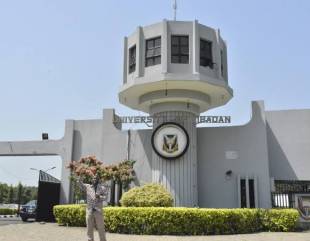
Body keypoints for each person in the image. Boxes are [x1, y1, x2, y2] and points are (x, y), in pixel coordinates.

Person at [77, 174, 109, 241]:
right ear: (91, 179)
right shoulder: (88, 187)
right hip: (89, 211)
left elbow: (106, 198)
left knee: (101, 228)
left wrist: (99, 196)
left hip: (98, 211)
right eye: (93, 178)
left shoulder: (102, 188)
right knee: (89, 229)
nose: (94, 179)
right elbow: (79, 184)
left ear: (98, 179)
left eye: (96, 178)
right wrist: (81, 176)